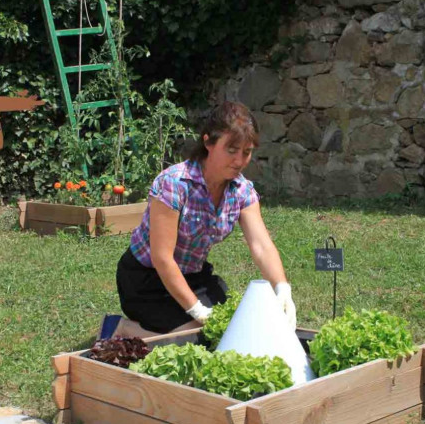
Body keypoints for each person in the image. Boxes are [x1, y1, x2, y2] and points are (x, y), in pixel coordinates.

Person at [116, 101, 296, 334]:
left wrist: (282, 289)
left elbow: (261, 246)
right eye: (231, 150)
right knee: (198, 339)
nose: (240, 161)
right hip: (146, 281)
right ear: (208, 142)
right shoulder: (174, 184)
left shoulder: (242, 190)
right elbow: (162, 259)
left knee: (233, 329)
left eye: (247, 152)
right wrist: (197, 310)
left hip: (194, 277)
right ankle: (124, 329)